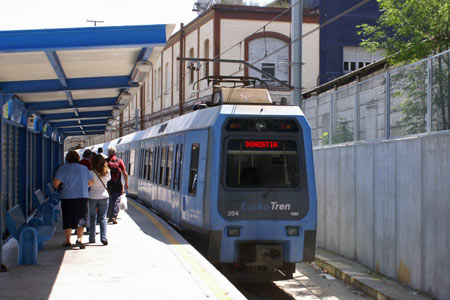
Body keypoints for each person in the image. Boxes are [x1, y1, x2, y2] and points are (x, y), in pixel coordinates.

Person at [53, 150, 94, 249]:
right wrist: (84, 186)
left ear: (67, 159)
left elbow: (55, 184)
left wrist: (61, 187)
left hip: (67, 197)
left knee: (68, 218)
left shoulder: (63, 169)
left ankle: (68, 241)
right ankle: (79, 239)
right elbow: (92, 182)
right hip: (82, 196)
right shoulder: (84, 169)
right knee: (81, 218)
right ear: (78, 159)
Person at [88, 154, 111, 245]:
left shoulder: (90, 172)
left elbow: (88, 183)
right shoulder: (107, 172)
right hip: (104, 196)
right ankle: (104, 238)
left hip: (92, 196)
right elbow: (108, 180)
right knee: (103, 217)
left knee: (92, 217)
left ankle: (92, 238)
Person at [106, 146, 128, 224]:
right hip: (117, 184)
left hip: (108, 184)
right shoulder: (119, 161)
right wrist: (126, 183)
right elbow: (124, 173)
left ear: (108, 153)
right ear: (115, 152)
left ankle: (109, 216)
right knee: (117, 200)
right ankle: (114, 216)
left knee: (109, 200)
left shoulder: (105, 162)